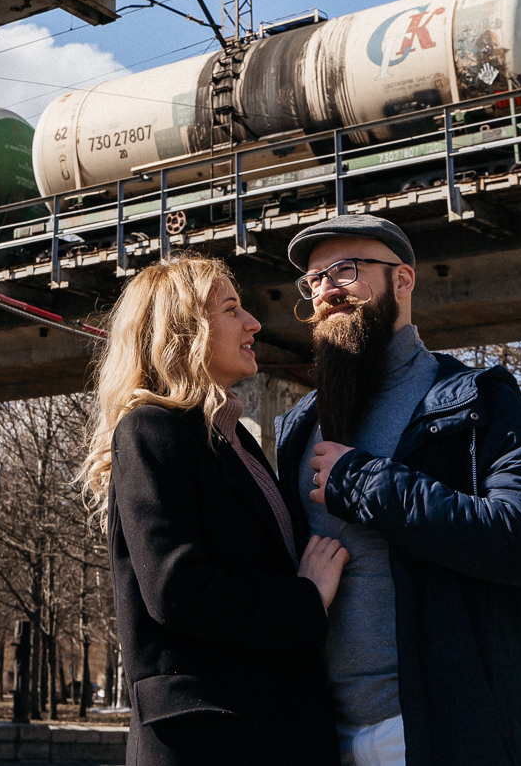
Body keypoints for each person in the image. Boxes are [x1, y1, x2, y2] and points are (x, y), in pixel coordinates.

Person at [272, 214, 521, 766]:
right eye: (313, 281)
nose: (326, 291)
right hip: (318, 733)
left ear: (402, 281)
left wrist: (363, 481)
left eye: (345, 270)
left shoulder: (476, 404)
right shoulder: (296, 430)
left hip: (441, 732)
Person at [82, 254, 346, 766]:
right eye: (232, 309)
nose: (254, 323)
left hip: (261, 729)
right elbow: (177, 589)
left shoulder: (233, 445)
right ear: (184, 334)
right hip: (206, 739)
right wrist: (304, 597)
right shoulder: (150, 431)